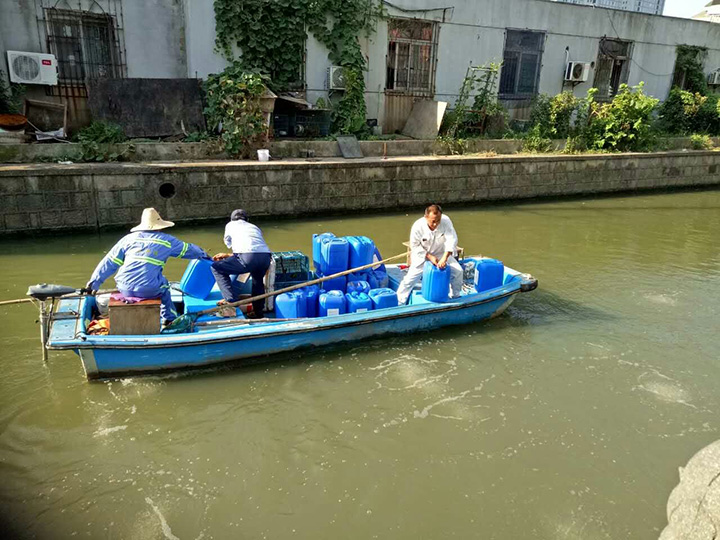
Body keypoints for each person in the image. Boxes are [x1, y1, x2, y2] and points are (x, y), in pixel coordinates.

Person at [84, 208, 209, 326]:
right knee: (165, 285)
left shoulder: (127, 239)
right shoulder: (167, 241)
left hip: (123, 287)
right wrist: (204, 254)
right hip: (149, 289)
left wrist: (93, 284)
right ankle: (169, 319)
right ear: (160, 227)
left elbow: (109, 263)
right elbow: (190, 250)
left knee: (149, 281)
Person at [396, 204, 464, 305]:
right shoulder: (417, 226)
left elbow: (451, 239)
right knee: (410, 279)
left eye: (438, 220)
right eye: (433, 221)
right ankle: (400, 301)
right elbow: (415, 245)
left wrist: (444, 258)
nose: (436, 224)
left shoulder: (446, 221)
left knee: (458, 271)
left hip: (441, 253)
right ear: (426, 217)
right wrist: (429, 256)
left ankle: (455, 296)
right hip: (422, 255)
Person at [211, 209, 272, 318]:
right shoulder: (254, 227)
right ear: (247, 219)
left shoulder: (230, 225)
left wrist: (228, 256)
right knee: (257, 281)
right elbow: (253, 247)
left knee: (216, 268)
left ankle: (231, 302)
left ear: (232, 219)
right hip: (265, 256)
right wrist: (228, 255)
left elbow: (230, 244)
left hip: (248, 257)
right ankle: (258, 312)